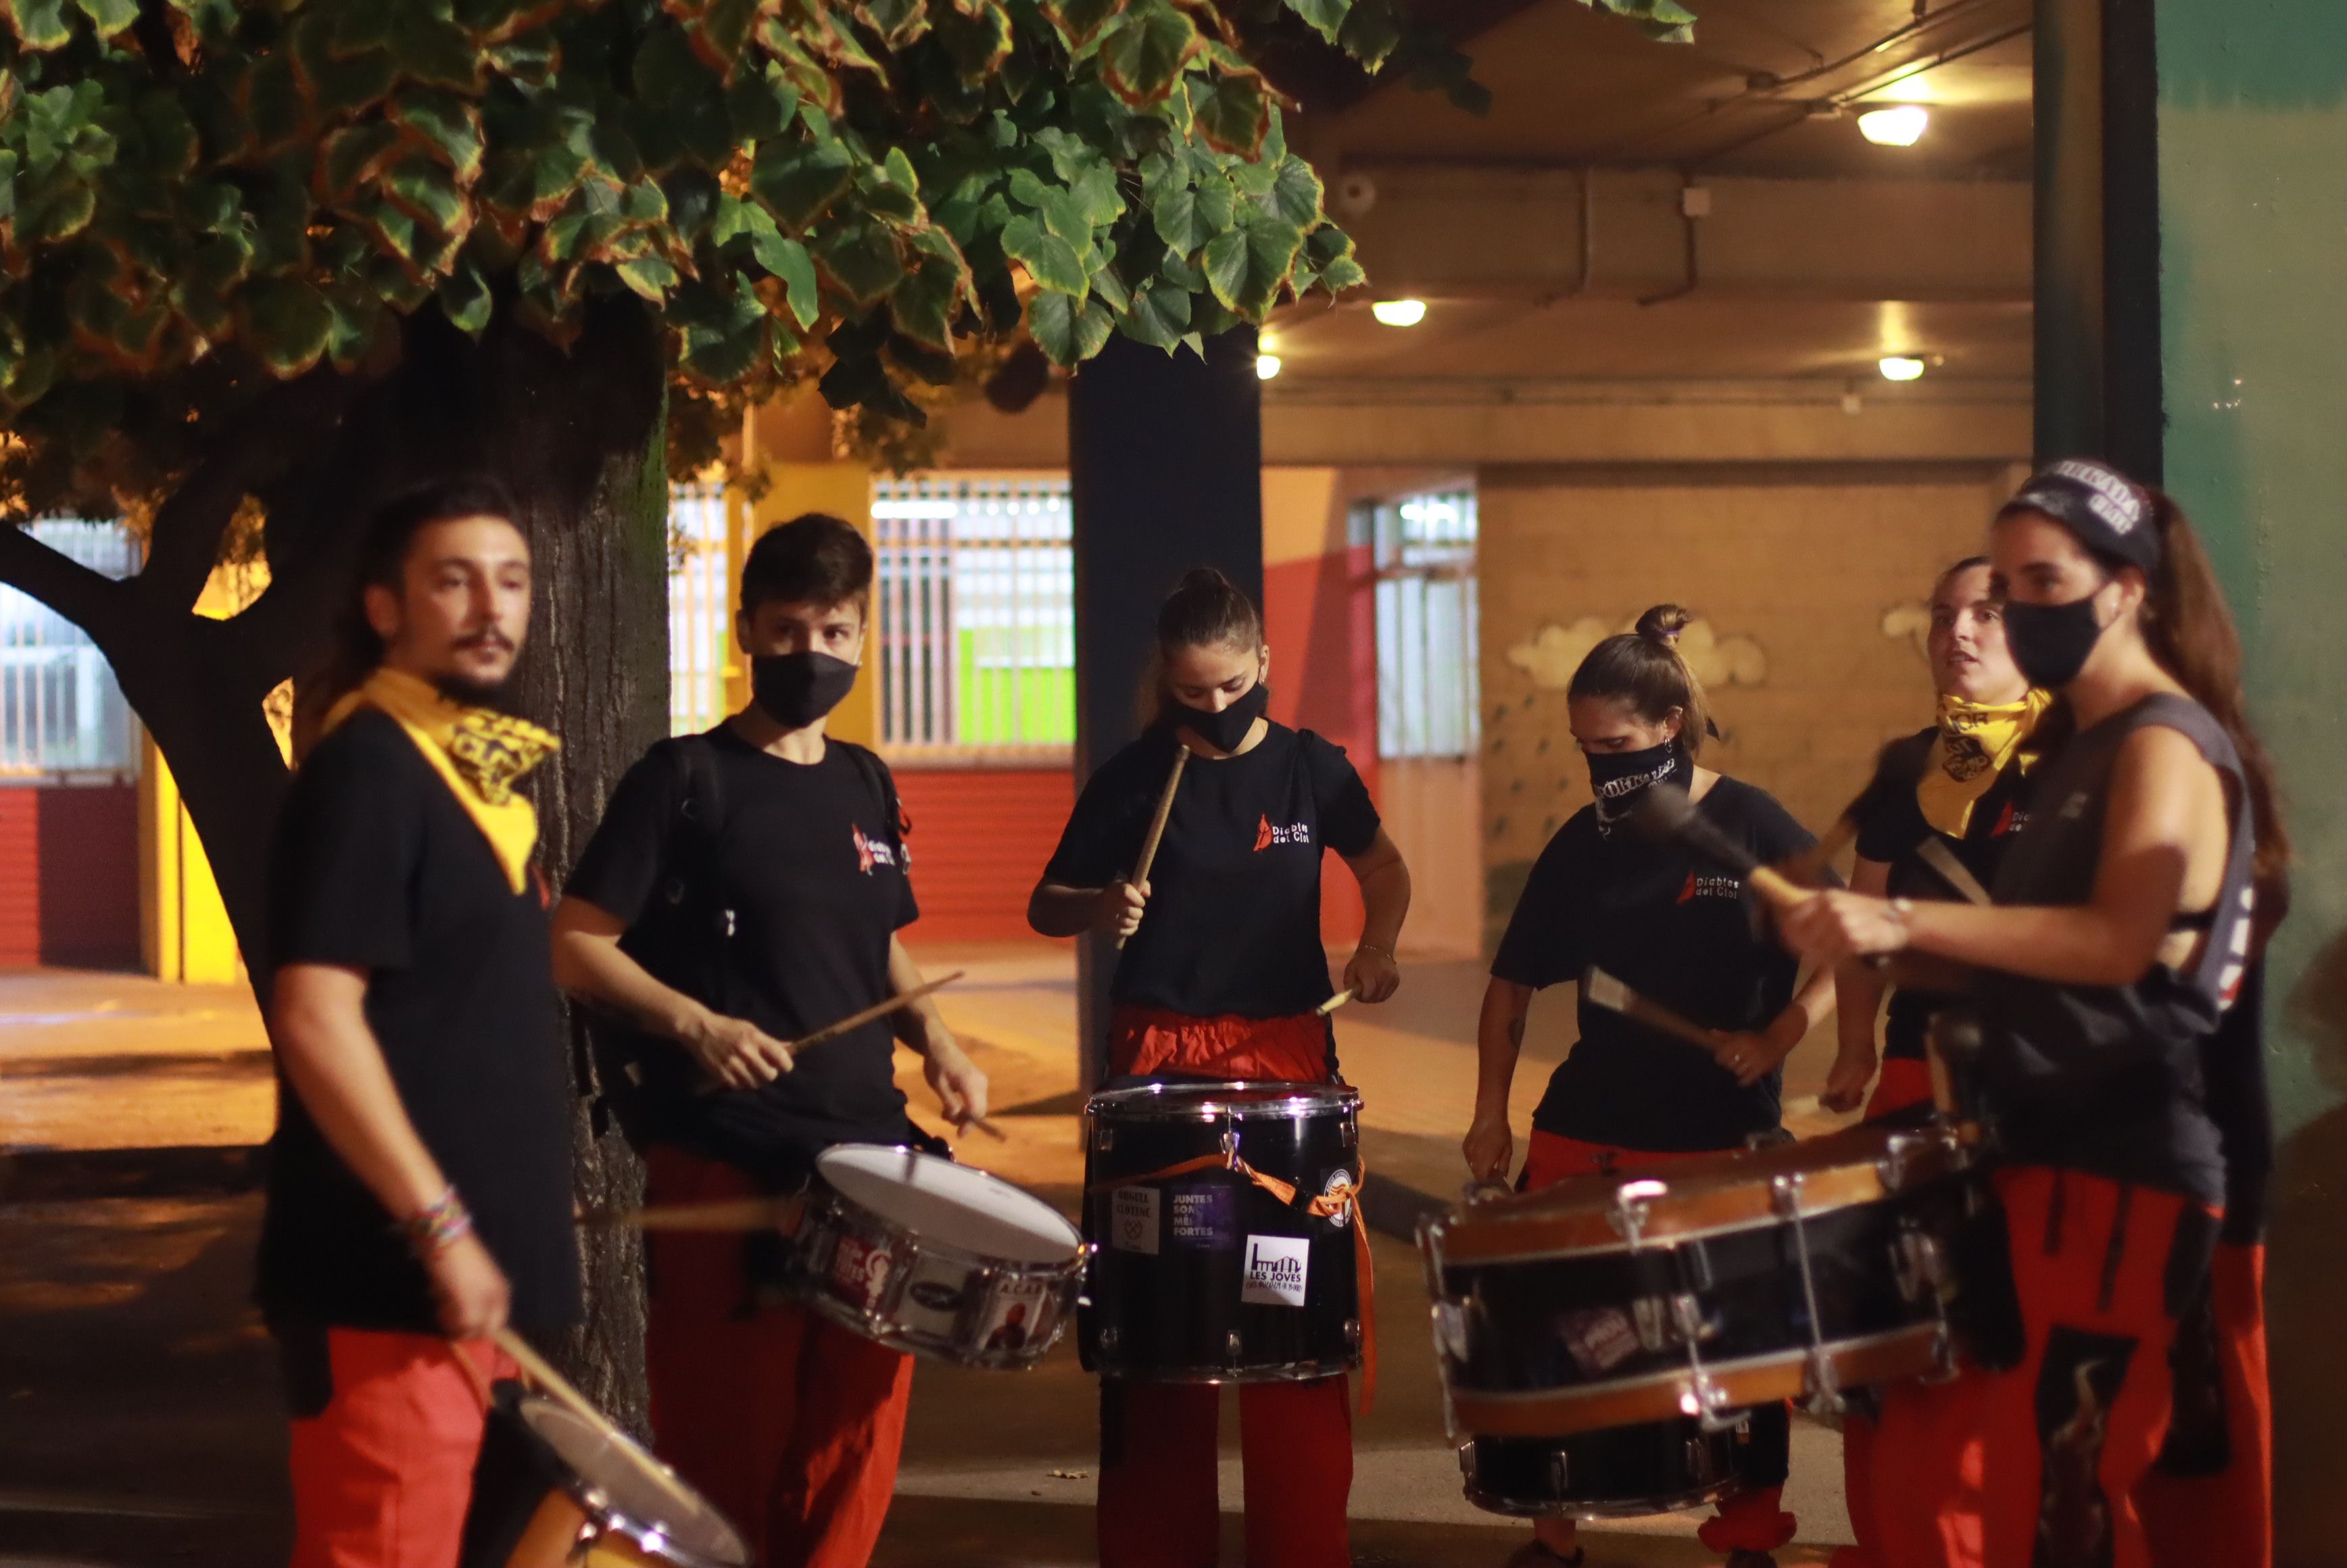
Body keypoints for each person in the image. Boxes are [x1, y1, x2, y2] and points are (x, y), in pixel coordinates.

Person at [1782, 459, 2288, 1568]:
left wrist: (1903, 929)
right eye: (2002, 586)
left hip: (2125, 1174)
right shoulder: (2078, 751)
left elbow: (2118, 941)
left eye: (2040, 582)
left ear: (2130, 589)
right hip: (2044, 1160)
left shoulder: (2163, 740)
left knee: (2074, 1506)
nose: (2009, 612)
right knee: (2025, 1491)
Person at [550, 514, 986, 1567]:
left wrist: (938, 1037)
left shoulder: (867, 783)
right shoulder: (685, 780)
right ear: (747, 631)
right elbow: (573, 945)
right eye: (788, 631)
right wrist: (695, 1022)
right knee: (726, 1451)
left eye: (835, 632)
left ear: (866, 633)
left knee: (857, 1442)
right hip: (725, 1163)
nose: (812, 656)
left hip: (873, 1163)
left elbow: (876, 943)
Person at [1027, 566, 1411, 1568]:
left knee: (1292, 1334)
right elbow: (1049, 902)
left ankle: (1303, 1549)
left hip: (1285, 1057)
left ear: (1265, 664)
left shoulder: (1310, 770)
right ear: (1166, 677)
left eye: (1233, 685)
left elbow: (1383, 868)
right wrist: (1098, 904)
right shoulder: (1134, 778)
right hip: (1160, 1055)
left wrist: (1378, 946)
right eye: (1192, 691)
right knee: (1162, 1343)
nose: (1215, 707)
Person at [1463, 604, 1835, 1568]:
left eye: (1619, 744)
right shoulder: (1583, 842)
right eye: (1586, 748)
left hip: (1720, 1138)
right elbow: (1509, 987)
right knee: (1558, 1340)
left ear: (1671, 723)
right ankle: (1555, 1532)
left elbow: (1849, 945)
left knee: (1744, 1361)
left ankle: (1750, 1533)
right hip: (1591, 1129)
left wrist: (1784, 1029)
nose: (1603, 766)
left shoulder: (1749, 823)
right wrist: (1488, 1114)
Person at [260, 479, 579, 1568]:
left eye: (511, 581)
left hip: (463, 1282)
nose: (491, 607)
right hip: (391, 1281)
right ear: (386, 608)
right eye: (454, 580)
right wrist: (440, 1225)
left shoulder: (464, 776)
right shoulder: (369, 770)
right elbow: (314, 1013)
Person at [1820, 558, 2046, 1568]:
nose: (1959, 632)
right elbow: (1864, 933)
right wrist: (1852, 1043)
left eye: (1986, 613)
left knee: (2015, 1348)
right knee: (1903, 1352)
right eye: (1946, 615)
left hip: (2039, 1101)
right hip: (1919, 1086)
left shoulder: (2078, 760)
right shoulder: (1908, 770)